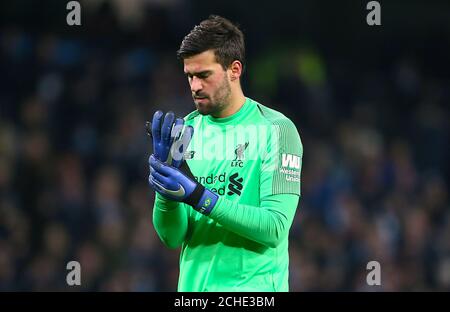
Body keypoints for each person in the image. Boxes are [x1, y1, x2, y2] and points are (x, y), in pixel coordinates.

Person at [148, 15, 303, 292]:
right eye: (190, 76)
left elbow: (275, 227)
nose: (195, 86)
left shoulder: (276, 130)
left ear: (234, 69)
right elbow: (172, 237)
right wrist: (166, 194)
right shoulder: (185, 131)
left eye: (204, 75)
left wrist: (198, 196)